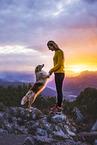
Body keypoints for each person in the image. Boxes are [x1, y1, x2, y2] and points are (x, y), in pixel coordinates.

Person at [47, 40, 65, 112]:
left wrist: (51, 70)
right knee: (58, 90)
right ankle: (58, 105)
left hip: (59, 73)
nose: (49, 49)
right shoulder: (56, 52)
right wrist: (53, 71)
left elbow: (59, 64)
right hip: (57, 73)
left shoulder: (59, 52)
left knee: (59, 90)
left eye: (49, 47)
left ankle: (59, 106)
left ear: (53, 45)